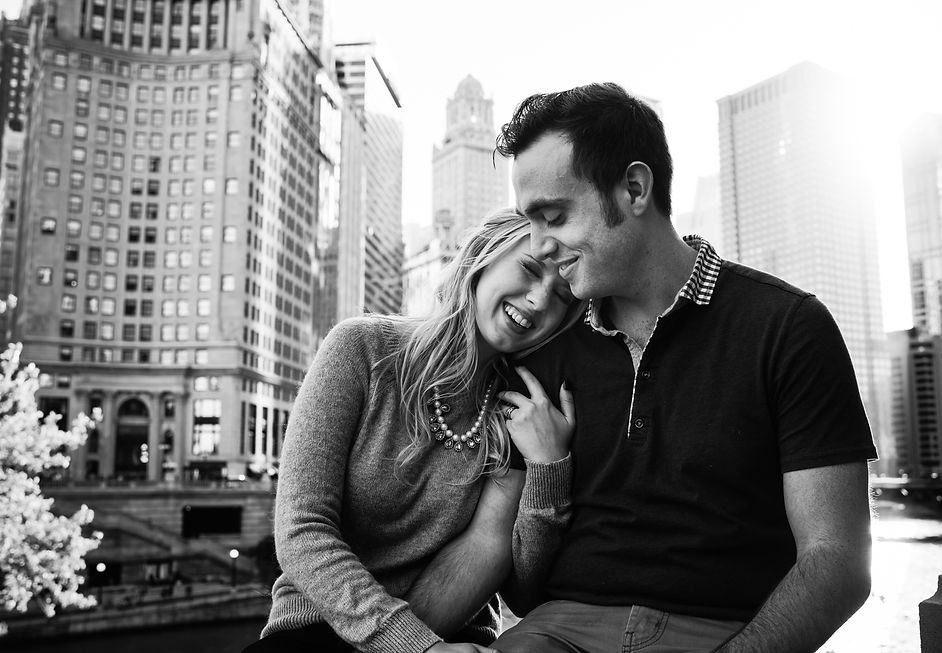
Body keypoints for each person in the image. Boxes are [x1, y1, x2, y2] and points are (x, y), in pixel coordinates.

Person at [489, 83, 879, 653]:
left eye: (554, 216)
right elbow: (517, 590)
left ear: (634, 188)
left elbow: (839, 560)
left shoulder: (789, 327)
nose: (539, 245)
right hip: (556, 634)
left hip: (726, 635)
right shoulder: (545, 352)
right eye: (532, 222)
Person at [242, 209, 582, 653]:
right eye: (529, 269)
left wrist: (548, 468)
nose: (539, 300)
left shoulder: (519, 411)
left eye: (560, 295)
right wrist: (415, 647)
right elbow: (302, 529)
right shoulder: (360, 350)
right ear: (481, 258)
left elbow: (521, 586)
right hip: (318, 632)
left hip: (452, 637)